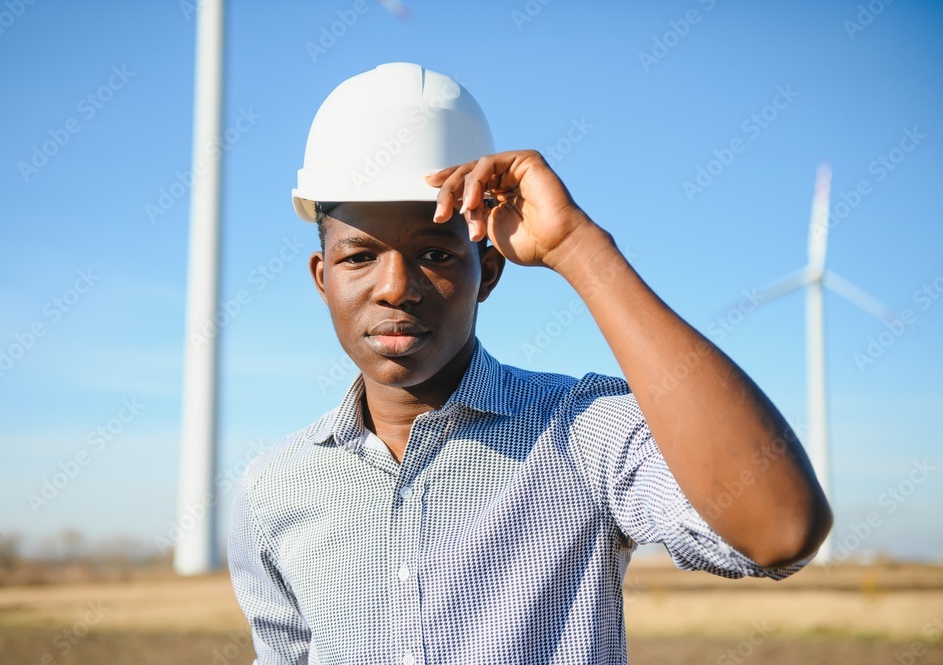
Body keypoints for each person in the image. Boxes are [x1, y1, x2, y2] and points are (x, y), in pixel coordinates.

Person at [227, 62, 833, 665]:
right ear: (322, 278)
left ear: (486, 273)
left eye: (435, 252)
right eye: (359, 257)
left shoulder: (584, 432)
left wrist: (576, 246)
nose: (396, 288)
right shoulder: (273, 488)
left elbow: (779, 531)